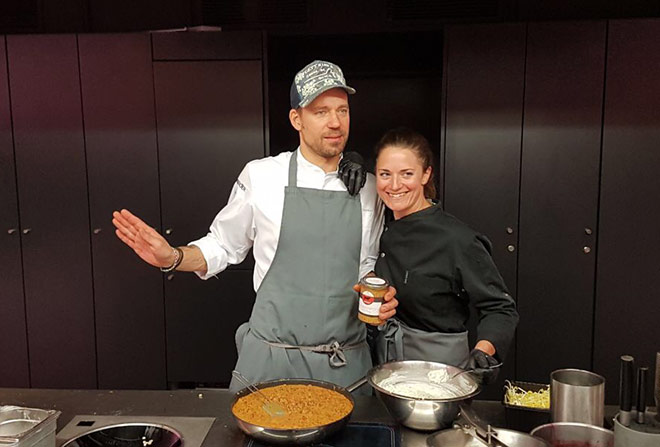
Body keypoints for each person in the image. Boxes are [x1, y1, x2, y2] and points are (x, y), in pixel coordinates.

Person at [112, 60, 398, 392]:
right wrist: (173, 257)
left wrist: (378, 300)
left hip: (345, 365)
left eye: (342, 110)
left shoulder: (368, 189)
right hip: (271, 362)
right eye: (320, 111)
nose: (335, 122)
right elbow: (222, 245)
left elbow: (365, 267)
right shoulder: (262, 177)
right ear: (296, 119)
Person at [370, 127, 518, 384]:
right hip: (384, 363)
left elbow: (500, 308)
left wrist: (484, 351)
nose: (394, 185)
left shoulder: (457, 240)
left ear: (426, 174)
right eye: (385, 174)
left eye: (407, 174)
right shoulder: (377, 223)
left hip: (440, 370)